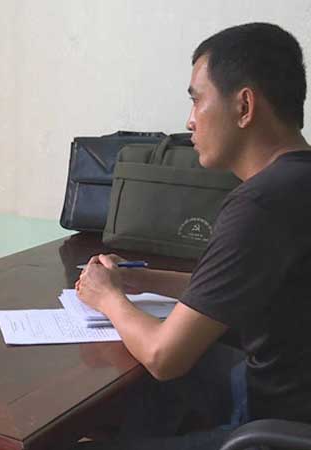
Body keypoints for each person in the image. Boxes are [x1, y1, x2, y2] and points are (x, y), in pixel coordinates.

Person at [73, 22, 311, 449]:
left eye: (197, 100)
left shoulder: (260, 204)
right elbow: (238, 288)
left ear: (244, 106)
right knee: (141, 390)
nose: (189, 121)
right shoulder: (295, 184)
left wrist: (107, 298)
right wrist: (141, 280)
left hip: (275, 428)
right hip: (286, 394)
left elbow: (164, 356)